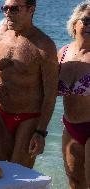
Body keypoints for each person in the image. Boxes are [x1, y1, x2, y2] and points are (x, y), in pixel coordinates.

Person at [0, 0, 58, 168]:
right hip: (4, 116)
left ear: (31, 10)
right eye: (5, 8)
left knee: (19, 177)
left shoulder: (44, 46)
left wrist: (40, 132)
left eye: (14, 8)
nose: (8, 13)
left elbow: (50, 93)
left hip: (29, 118)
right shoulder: (0, 41)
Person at [58, 1, 90, 188]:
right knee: (75, 181)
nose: (89, 26)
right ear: (75, 23)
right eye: (86, 21)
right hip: (70, 127)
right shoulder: (62, 53)